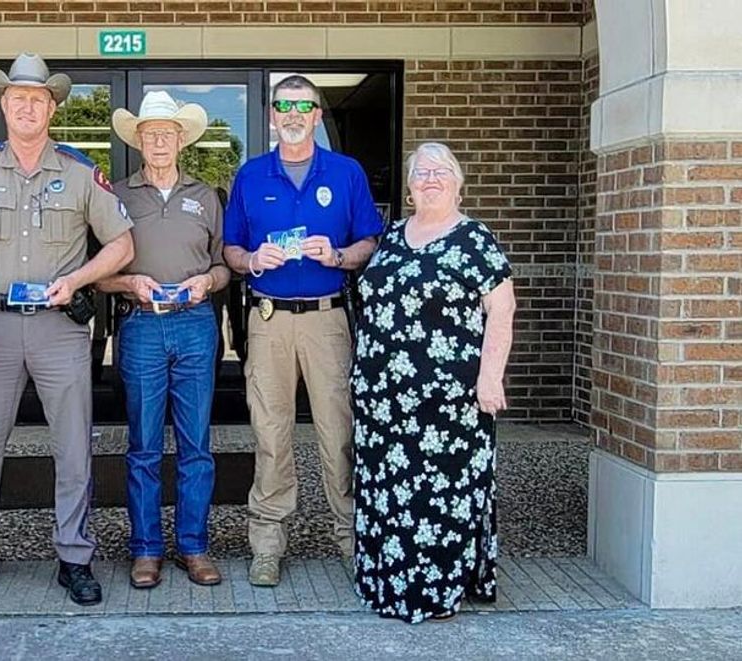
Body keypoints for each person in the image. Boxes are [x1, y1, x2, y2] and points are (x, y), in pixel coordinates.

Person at [0, 53, 134, 607]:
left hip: (58, 331)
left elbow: (123, 244)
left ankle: (74, 555)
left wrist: (78, 278)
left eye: (37, 98)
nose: (27, 106)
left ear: (51, 107)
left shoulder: (79, 171)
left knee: (72, 449)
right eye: (17, 97)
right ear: (4, 105)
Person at [222, 75, 384, 587]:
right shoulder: (250, 176)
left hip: (328, 318)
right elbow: (229, 249)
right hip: (268, 320)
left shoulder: (346, 171)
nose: (293, 114)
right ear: (272, 116)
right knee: (271, 435)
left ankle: (351, 539)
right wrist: (250, 259)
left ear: (316, 115)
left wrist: (338, 255)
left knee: (339, 432)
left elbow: (370, 241)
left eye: (304, 106)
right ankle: (267, 545)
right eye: (284, 106)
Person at [350, 142, 515, 623]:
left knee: (442, 494)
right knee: (388, 492)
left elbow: (501, 311)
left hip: (450, 402)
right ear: (408, 185)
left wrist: (490, 378)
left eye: (441, 171)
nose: (430, 179)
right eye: (421, 172)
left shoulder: (475, 239)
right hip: (383, 401)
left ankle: (436, 590)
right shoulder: (394, 235)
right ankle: (387, 583)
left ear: (459, 183)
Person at [97, 90, 231, 589]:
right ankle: (147, 549)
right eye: (150, 133)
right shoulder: (117, 196)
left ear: (181, 140)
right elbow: (99, 273)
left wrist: (208, 283)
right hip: (142, 326)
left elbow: (223, 266)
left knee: (197, 444)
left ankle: (195, 547)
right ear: (138, 140)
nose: (158, 140)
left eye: (167, 133)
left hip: (196, 323)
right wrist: (128, 282)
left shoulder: (207, 195)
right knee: (144, 445)